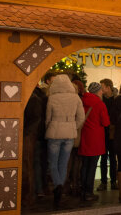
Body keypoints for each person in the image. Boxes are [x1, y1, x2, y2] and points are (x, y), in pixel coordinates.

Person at [45, 74, 85, 208]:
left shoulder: (52, 97)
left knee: (52, 162)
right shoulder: (76, 98)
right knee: (63, 162)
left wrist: (49, 127)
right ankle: (60, 185)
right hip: (69, 133)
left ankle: (58, 186)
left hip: (54, 132)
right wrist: (74, 126)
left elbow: (48, 118)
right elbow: (81, 117)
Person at [22, 71, 55, 205]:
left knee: (32, 164)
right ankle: (41, 189)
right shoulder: (41, 96)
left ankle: (32, 193)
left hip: (33, 136)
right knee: (39, 163)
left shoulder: (34, 97)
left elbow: (36, 119)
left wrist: (26, 133)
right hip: (42, 135)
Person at [78, 82, 110, 202]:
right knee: (92, 167)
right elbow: (105, 122)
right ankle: (89, 192)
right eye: (101, 90)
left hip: (84, 137)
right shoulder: (99, 104)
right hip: (95, 139)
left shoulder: (81, 101)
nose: (102, 92)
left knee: (84, 166)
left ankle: (82, 191)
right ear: (97, 91)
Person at [97, 78, 118, 191]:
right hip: (103, 132)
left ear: (108, 88)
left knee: (113, 158)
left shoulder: (116, 99)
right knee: (103, 158)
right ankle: (104, 182)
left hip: (113, 132)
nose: (101, 89)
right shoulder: (101, 99)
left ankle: (114, 181)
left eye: (102, 87)